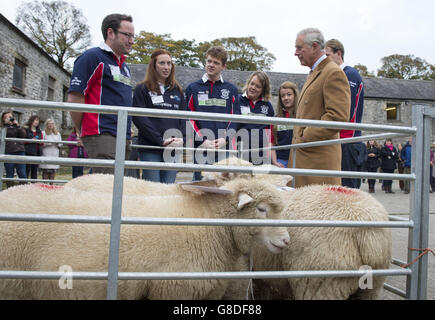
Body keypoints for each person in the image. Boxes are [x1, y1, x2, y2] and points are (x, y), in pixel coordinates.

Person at [67, 14, 135, 174]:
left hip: (122, 133)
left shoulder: (124, 66)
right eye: (127, 35)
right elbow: (75, 96)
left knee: (118, 185)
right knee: (108, 187)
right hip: (101, 132)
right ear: (110, 33)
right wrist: (80, 128)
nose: (131, 41)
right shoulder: (92, 57)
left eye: (133, 36)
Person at [290, 28, 350, 188]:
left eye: (299, 48)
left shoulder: (333, 73)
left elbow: (338, 116)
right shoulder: (316, 72)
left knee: (318, 212)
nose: (296, 53)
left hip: (317, 163)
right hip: (306, 160)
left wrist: (305, 135)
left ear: (315, 46)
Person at [185, 46, 240, 181]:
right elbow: (188, 117)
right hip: (202, 147)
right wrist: (202, 140)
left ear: (223, 66)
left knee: (225, 187)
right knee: (201, 187)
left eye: (216, 63)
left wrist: (225, 139)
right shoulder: (193, 88)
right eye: (209, 61)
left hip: (224, 148)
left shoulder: (231, 89)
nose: (211, 65)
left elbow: (235, 119)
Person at [132, 49, 185, 183]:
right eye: (162, 63)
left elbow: (184, 117)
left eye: (169, 63)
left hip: (172, 148)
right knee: (152, 189)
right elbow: (139, 118)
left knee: (168, 189)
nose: (166, 67)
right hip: (151, 147)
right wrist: (160, 140)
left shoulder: (177, 90)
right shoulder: (142, 89)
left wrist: (181, 137)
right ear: (154, 65)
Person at [325, 39, 365, 189]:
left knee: (348, 190)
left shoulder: (349, 74)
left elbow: (347, 110)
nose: (326, 60)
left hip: (348, 140)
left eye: (328, 55)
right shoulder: (338, 75)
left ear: (338, 54)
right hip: (339, 140)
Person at [236, 71, 274, 165]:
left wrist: (269, 153)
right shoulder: (237, 100)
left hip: (260, 154)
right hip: (240, 152)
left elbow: (269, 131)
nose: (253, 88)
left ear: (263, 90)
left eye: (258, 86)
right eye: (252, 84)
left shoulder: (268, 106)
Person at [271, 81, 299, 168]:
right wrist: (275, 161)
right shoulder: (275, 119)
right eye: (282, 96)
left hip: (298, 159)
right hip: (281, 161)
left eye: (289, 94)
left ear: (295, 95)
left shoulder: (302, 116)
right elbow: (271, 142)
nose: (286, 98)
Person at [1, 111, 27, 188]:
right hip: (8, 151)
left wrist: (17, 125)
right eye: (6, 117)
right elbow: (2, 135)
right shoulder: (2, 127)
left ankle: (24, 190)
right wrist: (5, 125)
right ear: (3, 119)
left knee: (22, 173)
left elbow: (23, 135)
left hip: (19, 151)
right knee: (9, 173)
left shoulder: (17, 126)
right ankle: (10, 190)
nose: (9, 119)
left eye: (10, 117)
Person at [40, 119, 62, 183]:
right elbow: (41, 143)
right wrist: (49, 143)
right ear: (46, 125)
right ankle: (45, 185)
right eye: (49, 123)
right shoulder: (43, 133)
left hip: (54, 153)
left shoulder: (57, 133)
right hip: (46, 153)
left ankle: (51, 185)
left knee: (53, 171)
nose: (51, 125)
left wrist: (57, 143)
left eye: (52, 123)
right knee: (45, 171)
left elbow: (60, 144)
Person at [24, 115, 43, 181]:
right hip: (28, 152)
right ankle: (25, 185)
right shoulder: (26, 130)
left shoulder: (39, 131)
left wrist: (40, 142)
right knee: (27, 170)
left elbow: (42, 141)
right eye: (35, 120)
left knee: (34, 171)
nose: (36, 122)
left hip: (36, 152)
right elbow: (23, 141)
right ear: (31, 121)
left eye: (37, 120)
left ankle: (33, 186)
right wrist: (31, 140)